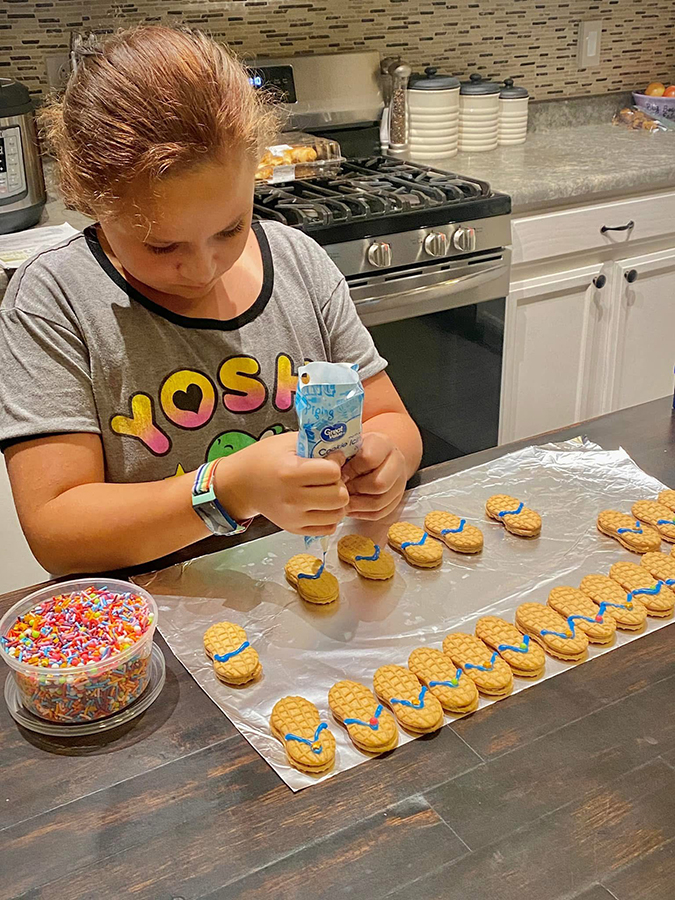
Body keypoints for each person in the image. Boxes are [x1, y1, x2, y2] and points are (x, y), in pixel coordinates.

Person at [0, 25, 421, 575]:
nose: (202, 268)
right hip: (159, 620)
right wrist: (226, 489)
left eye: (231, 228)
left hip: (308, 592)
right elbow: (58, 531)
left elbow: (390, 418)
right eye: (161, 243)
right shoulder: (54, 300)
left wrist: (385, 460)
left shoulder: (299, 263)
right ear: (90, 201)